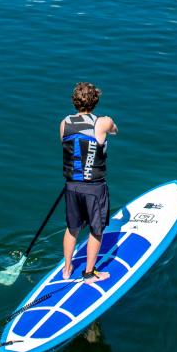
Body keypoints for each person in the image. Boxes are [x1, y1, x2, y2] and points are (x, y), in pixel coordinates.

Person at [60, 82, 118, 284]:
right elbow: (115, 131)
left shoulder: (64, 122)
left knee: (72, 228)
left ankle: (67, 268)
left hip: (71, 186)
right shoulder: (102, 122)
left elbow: (69, 146)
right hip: (94, 187)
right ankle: (89, 274)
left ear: (74, 101)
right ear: (96, 101)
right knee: (96, 230)